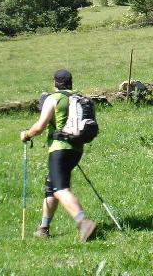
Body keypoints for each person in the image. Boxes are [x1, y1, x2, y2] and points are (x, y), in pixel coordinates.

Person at [20, 68, 97, 242]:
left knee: (60, 189)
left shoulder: (53, 99)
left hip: (59, 149)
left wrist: (26, 134)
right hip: (76, 148)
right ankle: (43, 228)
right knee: (51, 186)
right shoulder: (79, 97)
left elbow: (40, 126)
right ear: (71, 82)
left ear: (54, 82)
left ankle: (83, 223)